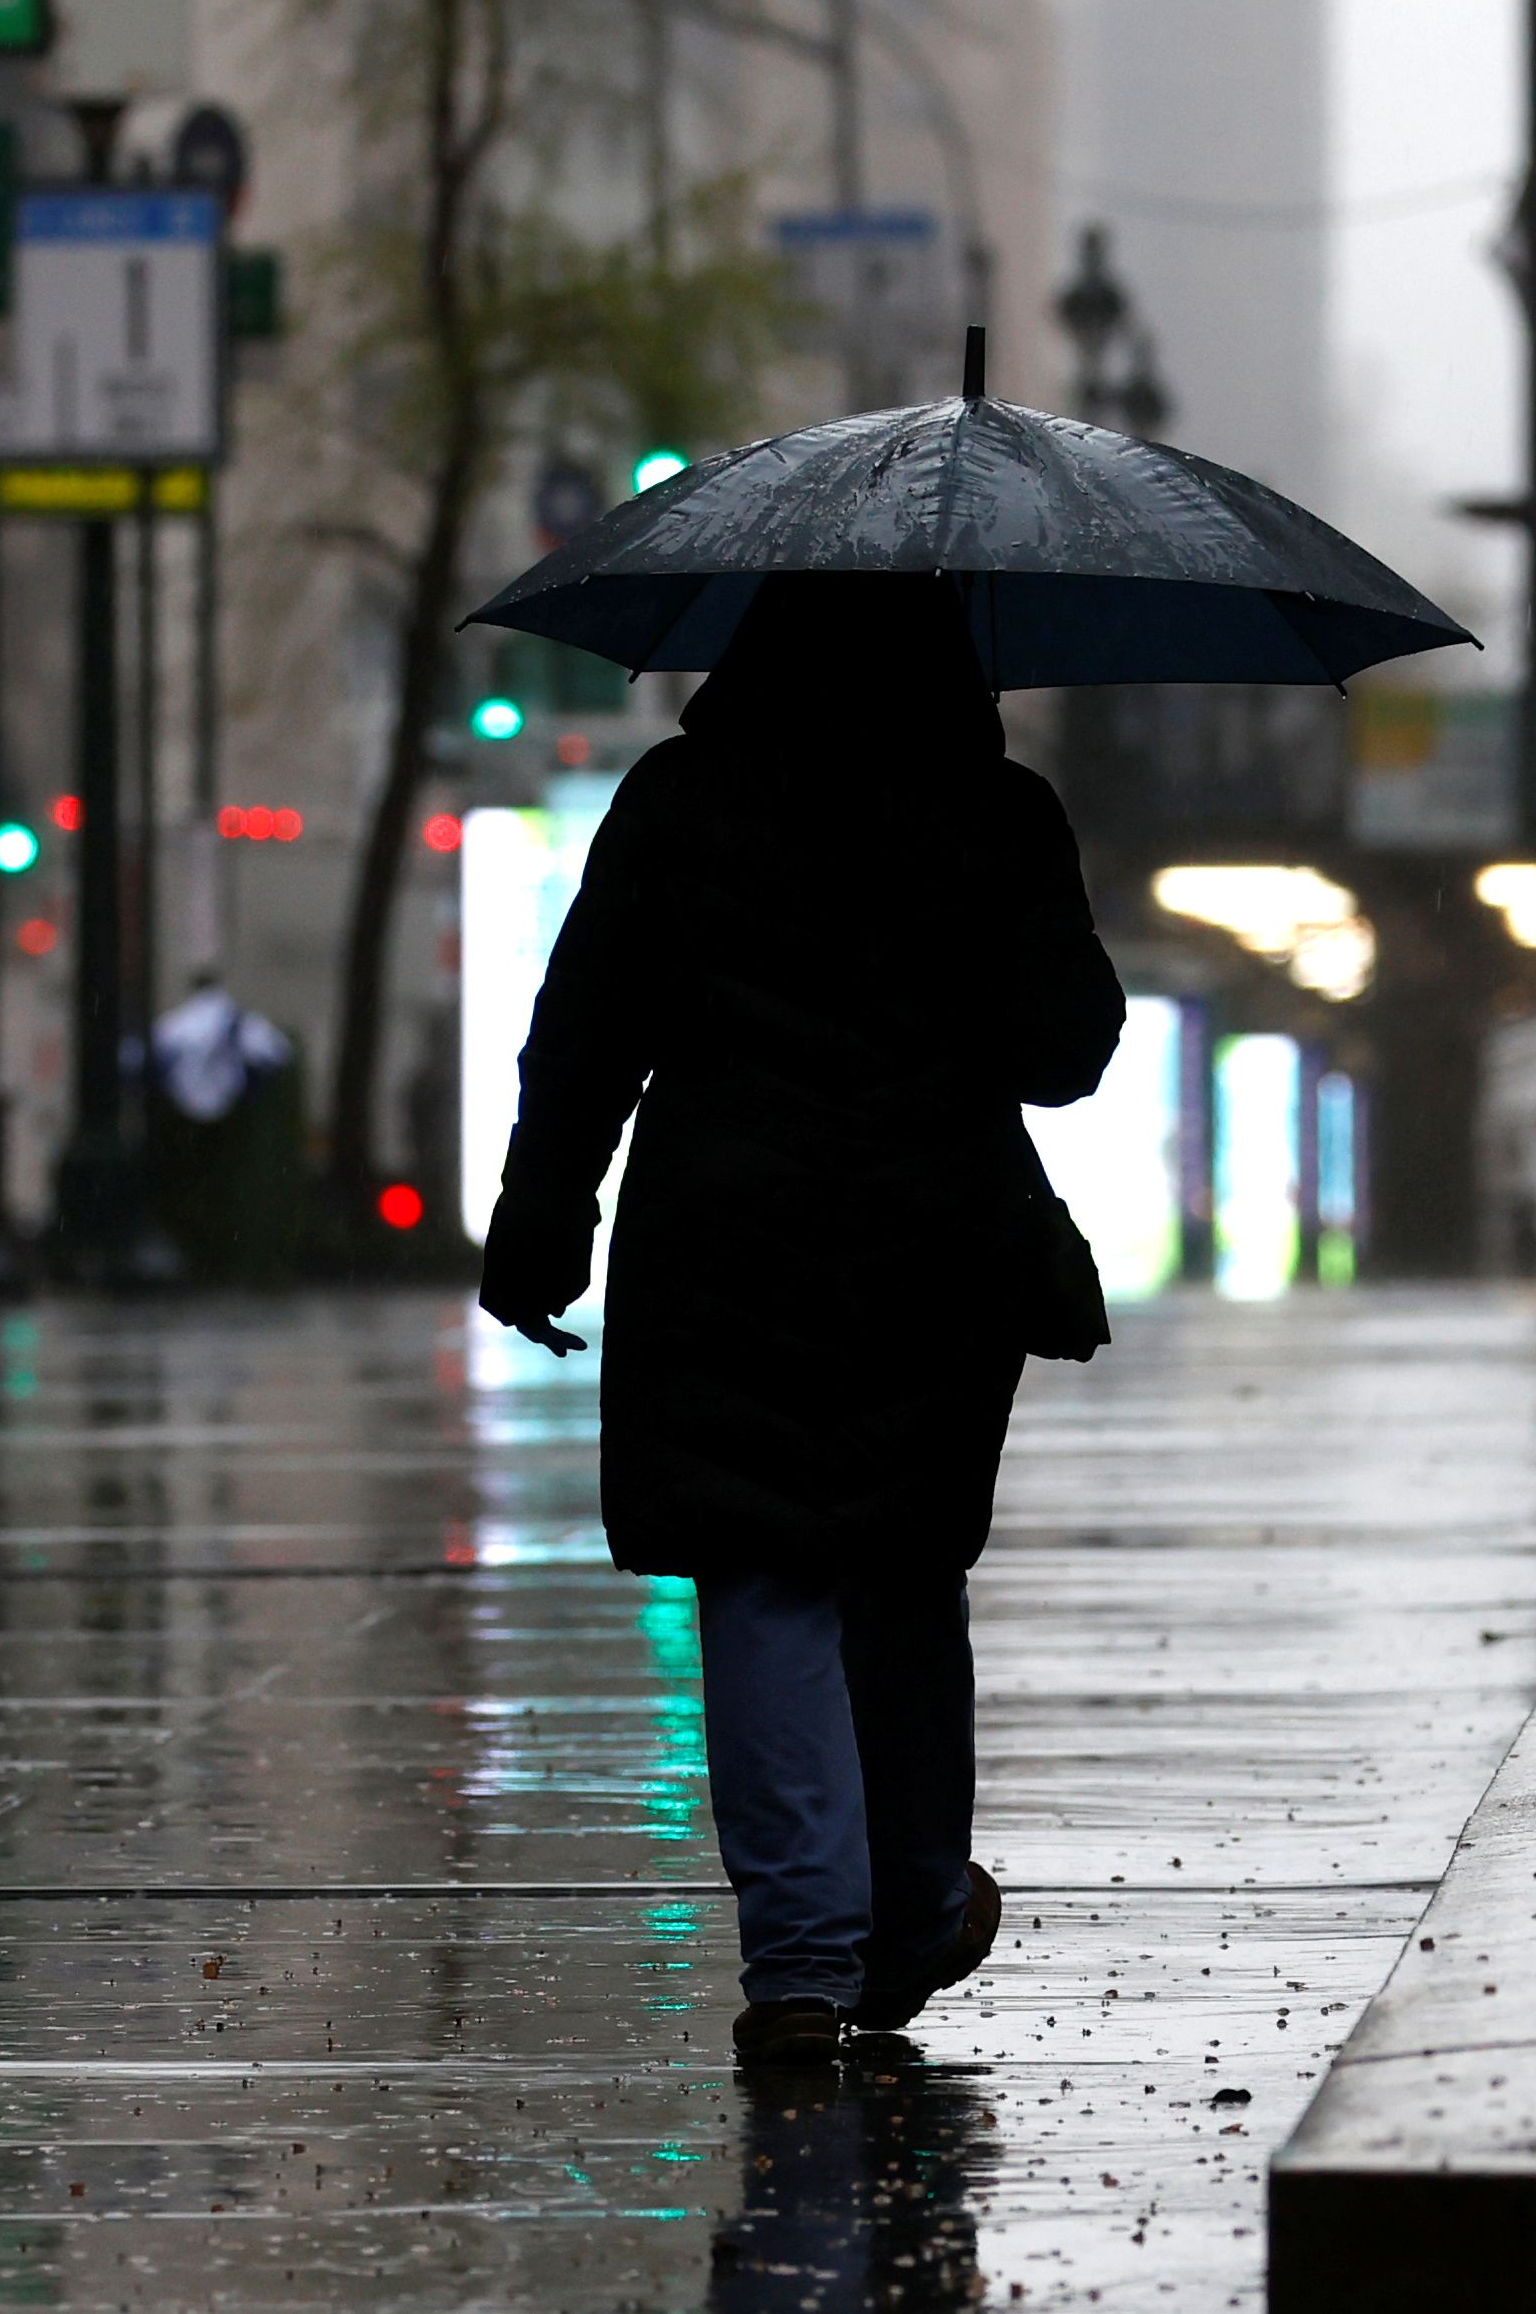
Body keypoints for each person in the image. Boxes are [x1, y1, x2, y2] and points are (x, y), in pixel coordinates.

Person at [475, 572, 1126, 2068]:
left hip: (723, 1235)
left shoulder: (681, 796)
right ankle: (907, 1910)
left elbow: (586, 1027)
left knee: (762, 1569)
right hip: (934, 1237)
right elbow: (1064, 1051)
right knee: (900, 1568)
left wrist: (539, 1218)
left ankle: (799, 1963)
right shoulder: (996, 808)